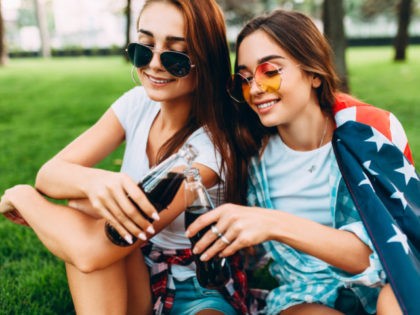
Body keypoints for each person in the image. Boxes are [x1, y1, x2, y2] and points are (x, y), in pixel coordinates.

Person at [0, 1, 250, 314]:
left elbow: (92, 253)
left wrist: (22, 197)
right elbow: (50, 175)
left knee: (95, 212)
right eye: (144, 47)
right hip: (137, 267)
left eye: (175, 54)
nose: (154, 64)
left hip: (197, 285)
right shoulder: (137, 103)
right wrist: (96, 182)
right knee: (88, 203)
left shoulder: (211, 147)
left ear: (207, 58)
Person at [186, 9, 420, 315]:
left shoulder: (366, 136)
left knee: (395, 300)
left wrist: (272, 224)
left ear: (313, 73)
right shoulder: (252, 157)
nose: (255, 89)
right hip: (306, 295)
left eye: (269, 71)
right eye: (244, 78)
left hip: (386, 281)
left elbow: (384, 252)